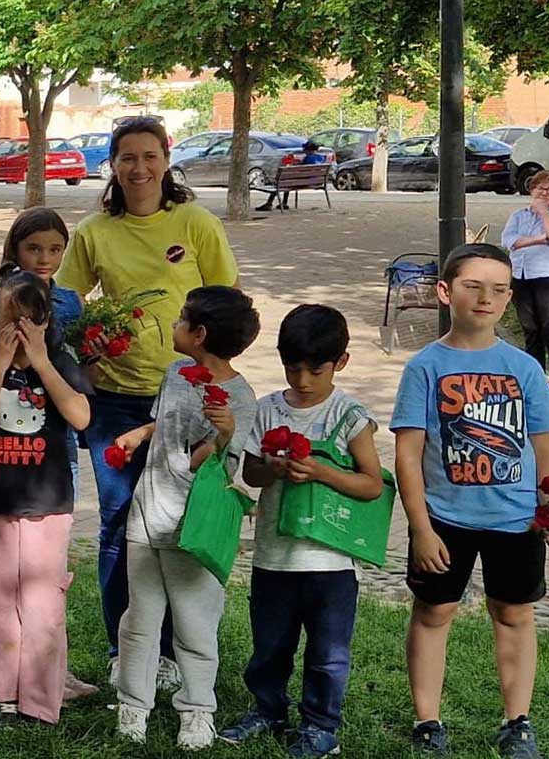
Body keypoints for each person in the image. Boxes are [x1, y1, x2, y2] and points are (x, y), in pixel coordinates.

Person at [57, 115, 238, 683]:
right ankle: (127, 651)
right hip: (113, 400)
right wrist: (86, 340)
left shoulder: (196, 223)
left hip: (186, 399)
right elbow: (66, 303)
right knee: (118, 524)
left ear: (166, 158)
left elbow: (225, 302)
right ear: (113, 165)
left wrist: (217, 379)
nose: (139, 168)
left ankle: (181, 649)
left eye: (149, 156)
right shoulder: (93, 232)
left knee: (177, 525)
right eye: (127, 158)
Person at [393, 243, 549, 759]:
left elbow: (544, 449)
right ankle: (428, 721)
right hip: (445, 519)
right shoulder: (425, 366)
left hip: (517, 521)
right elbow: (408, 454)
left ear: (510, 298)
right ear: (446, 292)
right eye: (473, 286)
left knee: (513, 614)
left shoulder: (525, 368)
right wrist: (421, 528)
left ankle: (518, 723)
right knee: (433, 612)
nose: (485, 298)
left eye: (498, 289)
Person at [219, 305, 381, 759]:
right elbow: (250, 474)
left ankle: (320, 724)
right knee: (270, 644)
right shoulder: (268, 409)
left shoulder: (349, 416)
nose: (303, 380)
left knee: (328, 653)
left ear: (341, 363)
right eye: (293, 369)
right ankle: (267, 708)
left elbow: (371, 484)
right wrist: (270, 467)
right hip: (275, 556)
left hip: (331, 562)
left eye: (316, 370)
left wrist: (322, 473)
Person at [111, 286, 260, 750]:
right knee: (140, 620)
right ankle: (133, 705)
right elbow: (167, 421)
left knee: (195, 625)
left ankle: (197, 711)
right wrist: (141, 432)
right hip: (147, 517)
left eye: (180, 320)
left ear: (199, 335)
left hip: (193, 527)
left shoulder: (239, 398)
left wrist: (224, 433)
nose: (173, 325)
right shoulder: (177, 371)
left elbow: (211, 464)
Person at [0, 268, 92, 724]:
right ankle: (3, 693)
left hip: (48, 504)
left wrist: (42, 362)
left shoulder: (60, 359)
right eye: (6, 321)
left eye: (26, 322)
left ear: (44, 323)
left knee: (42, 605)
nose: (16, 332)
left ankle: (40, 699)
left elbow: (80, 416)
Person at [501, 170, 549, 393]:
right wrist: (538, 239)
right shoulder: (518, 215)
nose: (544, 192)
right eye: (540, 188)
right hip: (522, 275)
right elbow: (509, 241)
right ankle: (534, 373)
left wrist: (544, 212)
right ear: (531, 190)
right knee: (530, 327)